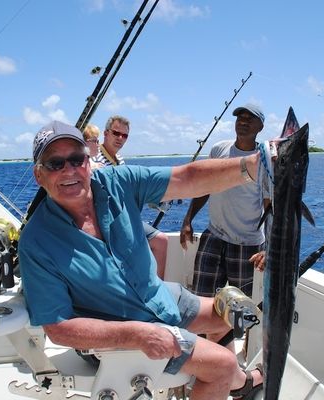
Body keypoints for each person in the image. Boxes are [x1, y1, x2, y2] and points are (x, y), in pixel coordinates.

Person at [19, 120, 263, 400]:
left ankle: (234, 384)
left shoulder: (117, 182)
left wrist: (254, 166)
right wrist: (135, 335)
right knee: (224, 364)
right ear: (39, 175)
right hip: (118, 338)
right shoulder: (36, 241)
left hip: (161, 298)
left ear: (88, 161)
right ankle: (232, 379)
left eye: (76, 159)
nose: (69, 170)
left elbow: (188, 177)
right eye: (55, 164)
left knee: (226, 317)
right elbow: (58, 328)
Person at [179, 104, 269, 347]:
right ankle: (198, 351)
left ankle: (237, 358)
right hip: (214, 235)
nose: (244, 121)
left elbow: (271, 206)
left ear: (261, 126)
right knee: (200, 299)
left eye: (251, 119)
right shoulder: (219, 149)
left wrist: (268, 247)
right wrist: (188, 220)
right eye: (240, 117)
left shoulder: (265, 160)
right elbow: (204, 186)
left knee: (242, 308)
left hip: (247, 244)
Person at [92, 115, 169, 279]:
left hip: (123, 217)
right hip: (106, 222)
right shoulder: (93, 158)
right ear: (106, 133)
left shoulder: (119, 160)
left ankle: (157, 291)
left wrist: (155, 200)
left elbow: (129, 190)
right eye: (116, 133)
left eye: (124, 135)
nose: (120, 138)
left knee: (161, 240)